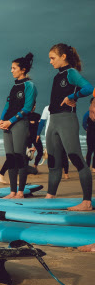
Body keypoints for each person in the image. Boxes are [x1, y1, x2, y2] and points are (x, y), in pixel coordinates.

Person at [44, 43, 94, 211]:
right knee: (53, 162)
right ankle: (50, 197)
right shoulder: (56, 77)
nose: (50, 62)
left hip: (67, 119)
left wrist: (73, 96)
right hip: (53, 121)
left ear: (63, 56)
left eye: (53, 58)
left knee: (76, 158)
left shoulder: (71, 73)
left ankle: (87, 202)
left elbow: (89, 88)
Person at [0, 53, 36, 198]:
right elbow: (7, 105)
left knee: (20, 157)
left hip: (19, 124)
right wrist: (2, 121)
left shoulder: (29, 86)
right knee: (10, 157)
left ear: (23, 70)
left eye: (14, 68)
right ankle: (12, 191)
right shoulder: (14, 86)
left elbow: (27, 108)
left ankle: (20, 192)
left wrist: (10, 121)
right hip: (7, 125)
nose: (11, 70)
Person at [84, 97, 95, 171]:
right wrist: (86, 129)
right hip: (90, 133)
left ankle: (94, 167)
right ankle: (87, 166)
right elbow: (84, 123)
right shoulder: (87, 113)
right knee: (90, 151)